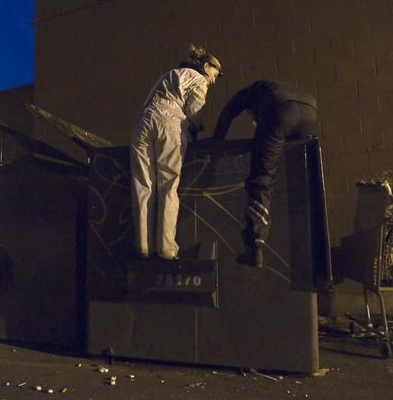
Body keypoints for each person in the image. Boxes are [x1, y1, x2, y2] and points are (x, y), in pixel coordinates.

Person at [130, 45, 222, 260]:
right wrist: (198, 126)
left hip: (143, 120)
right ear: (206, 66)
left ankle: (143, 246)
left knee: (143, 185)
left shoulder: (170, 74)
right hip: (169, 121)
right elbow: (194, 108)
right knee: (168, 185)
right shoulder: (197, 78)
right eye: (214, 74)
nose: (214, 80)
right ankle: (166, 248)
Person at [212, 80, 317, 267]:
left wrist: (217, 139)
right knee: (298, 167)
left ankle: (255, 246)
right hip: (310, 113)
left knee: (262, 178)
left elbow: (228, 111)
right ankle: (308, 233)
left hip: (281, 112)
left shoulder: (249, 92)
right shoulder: (274, 89)